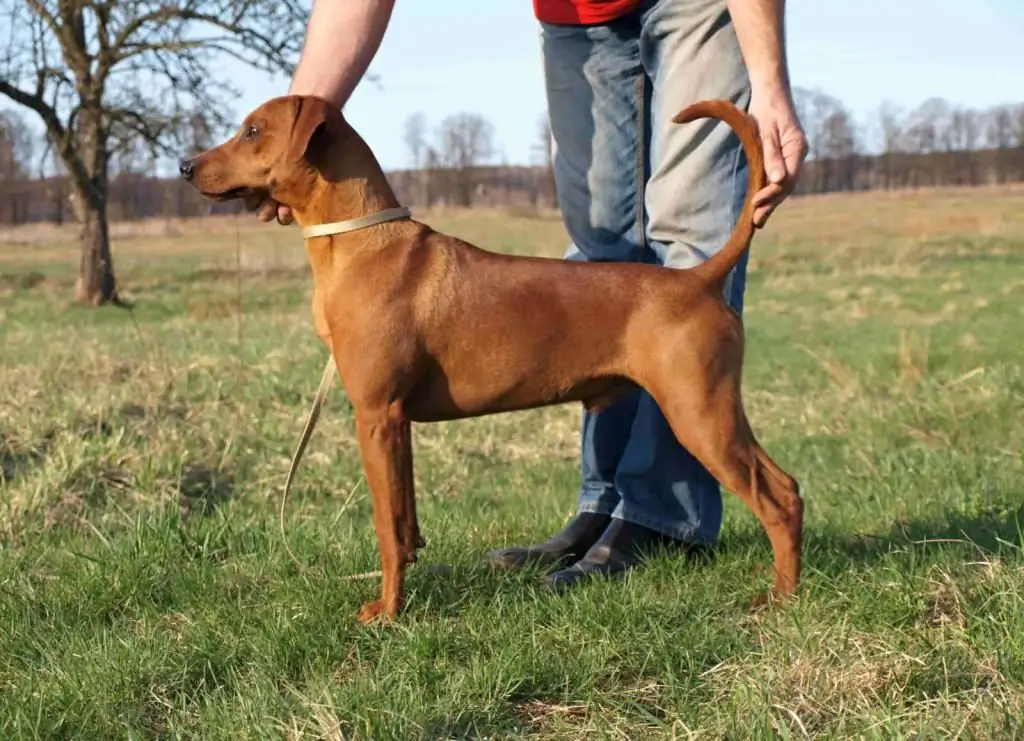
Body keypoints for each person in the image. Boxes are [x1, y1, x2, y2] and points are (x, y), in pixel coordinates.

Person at [256, 0, 807, 590]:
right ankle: (605, 510)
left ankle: (661, 519)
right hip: (577, 20)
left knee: (689, 248)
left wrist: (769, 84)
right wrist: (286, 147)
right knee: (602, 251)